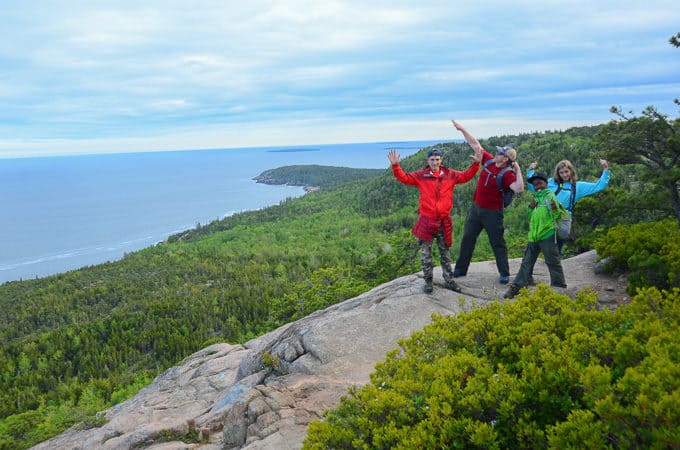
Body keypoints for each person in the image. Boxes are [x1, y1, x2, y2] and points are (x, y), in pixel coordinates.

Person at [388, 145, 482, 294]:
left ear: (441, 160)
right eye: (432, 159)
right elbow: (404, 178)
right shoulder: (422, 175)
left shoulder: (449, 174)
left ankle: (449, 281)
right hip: (427, 221)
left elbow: (465, 176)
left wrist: (476, 164)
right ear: (428, 160)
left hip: (443, 220)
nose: (435, 162)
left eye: (437, 159)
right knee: (426, 254)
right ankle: (428, 282)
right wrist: (395, 166)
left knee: (445, 253)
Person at [451, 120, 524, 284]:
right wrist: (462, 129)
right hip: (476, 210)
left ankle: (504, 273)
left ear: (505, 159)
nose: (495, 153)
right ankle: (460, 270)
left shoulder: (507, 174)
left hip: (493, 213)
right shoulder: (489, 161)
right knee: (467, 238)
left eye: (499, 153)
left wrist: (518, 170)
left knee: (497, 243)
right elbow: (475, 144)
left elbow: (519, 189)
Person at [526, 159, 610, 256]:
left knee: (559, 243)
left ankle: (555, 261)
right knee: (546, 242)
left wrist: (606, 170)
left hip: (564, 218)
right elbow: (534, 187)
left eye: (566, 171)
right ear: (558, 173)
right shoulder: (550, 183)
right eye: (561, 172)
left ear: (571, 171)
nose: (564, 175)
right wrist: (530, 171)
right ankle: (548, 259)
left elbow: (598, 186)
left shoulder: (578, 186)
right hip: (548, 216)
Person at [503, 171, 567, 298]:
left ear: (546, 183)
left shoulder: (550, 196)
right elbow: (531, 216)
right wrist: (530, 208)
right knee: (526, 262)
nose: (537, 184)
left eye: (540, 182)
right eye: (535, 183)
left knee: (552, 261)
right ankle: (517, 287)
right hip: (534, 236)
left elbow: (557, 215)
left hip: (547, 234)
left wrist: (554, 208)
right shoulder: (536, 198)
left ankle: (559, 287)